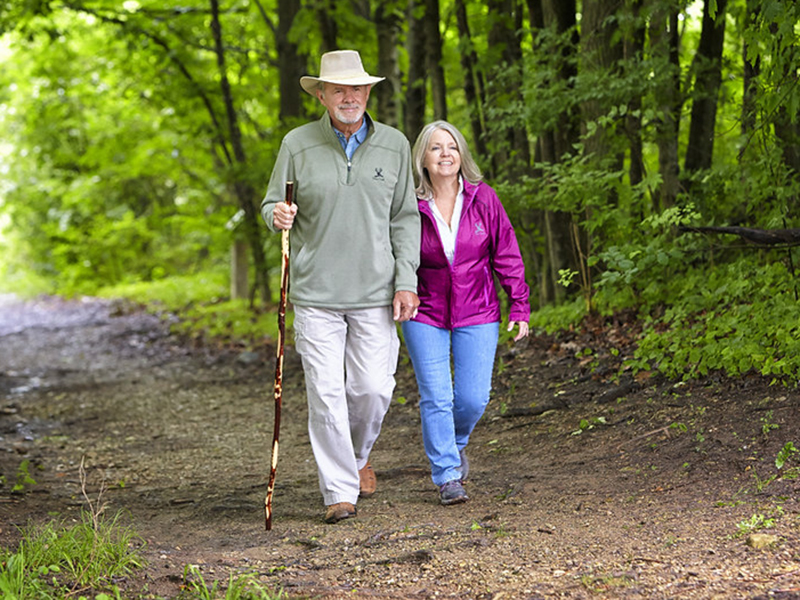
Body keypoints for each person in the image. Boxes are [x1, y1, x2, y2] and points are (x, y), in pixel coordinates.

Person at [261, 50, 420, 524]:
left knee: (373, 389)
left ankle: (355, 457)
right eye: (339, 90)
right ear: (323, 95)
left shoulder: (394, 145)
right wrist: (277, 215)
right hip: (315, 293)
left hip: (376, 291)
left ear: (368, 93)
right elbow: (272, 201)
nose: (349, 97)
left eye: (357, 89)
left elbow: (405, 219)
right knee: (326, 394)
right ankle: (338, 490)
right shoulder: (297, 143)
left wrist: (406, 280)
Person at [402, 120, 530, 506]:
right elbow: (395, 254)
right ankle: (447, 476)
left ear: (462, 155)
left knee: (474, 398)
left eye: (452, 147)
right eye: (436, 148)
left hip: (479, 308)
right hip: (425, 310)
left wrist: (519, 302)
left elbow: (506, 252)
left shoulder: (483, 198)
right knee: (436, 396)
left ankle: (453, 445)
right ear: (422, 158)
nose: (445, 154)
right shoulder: (409, 203)